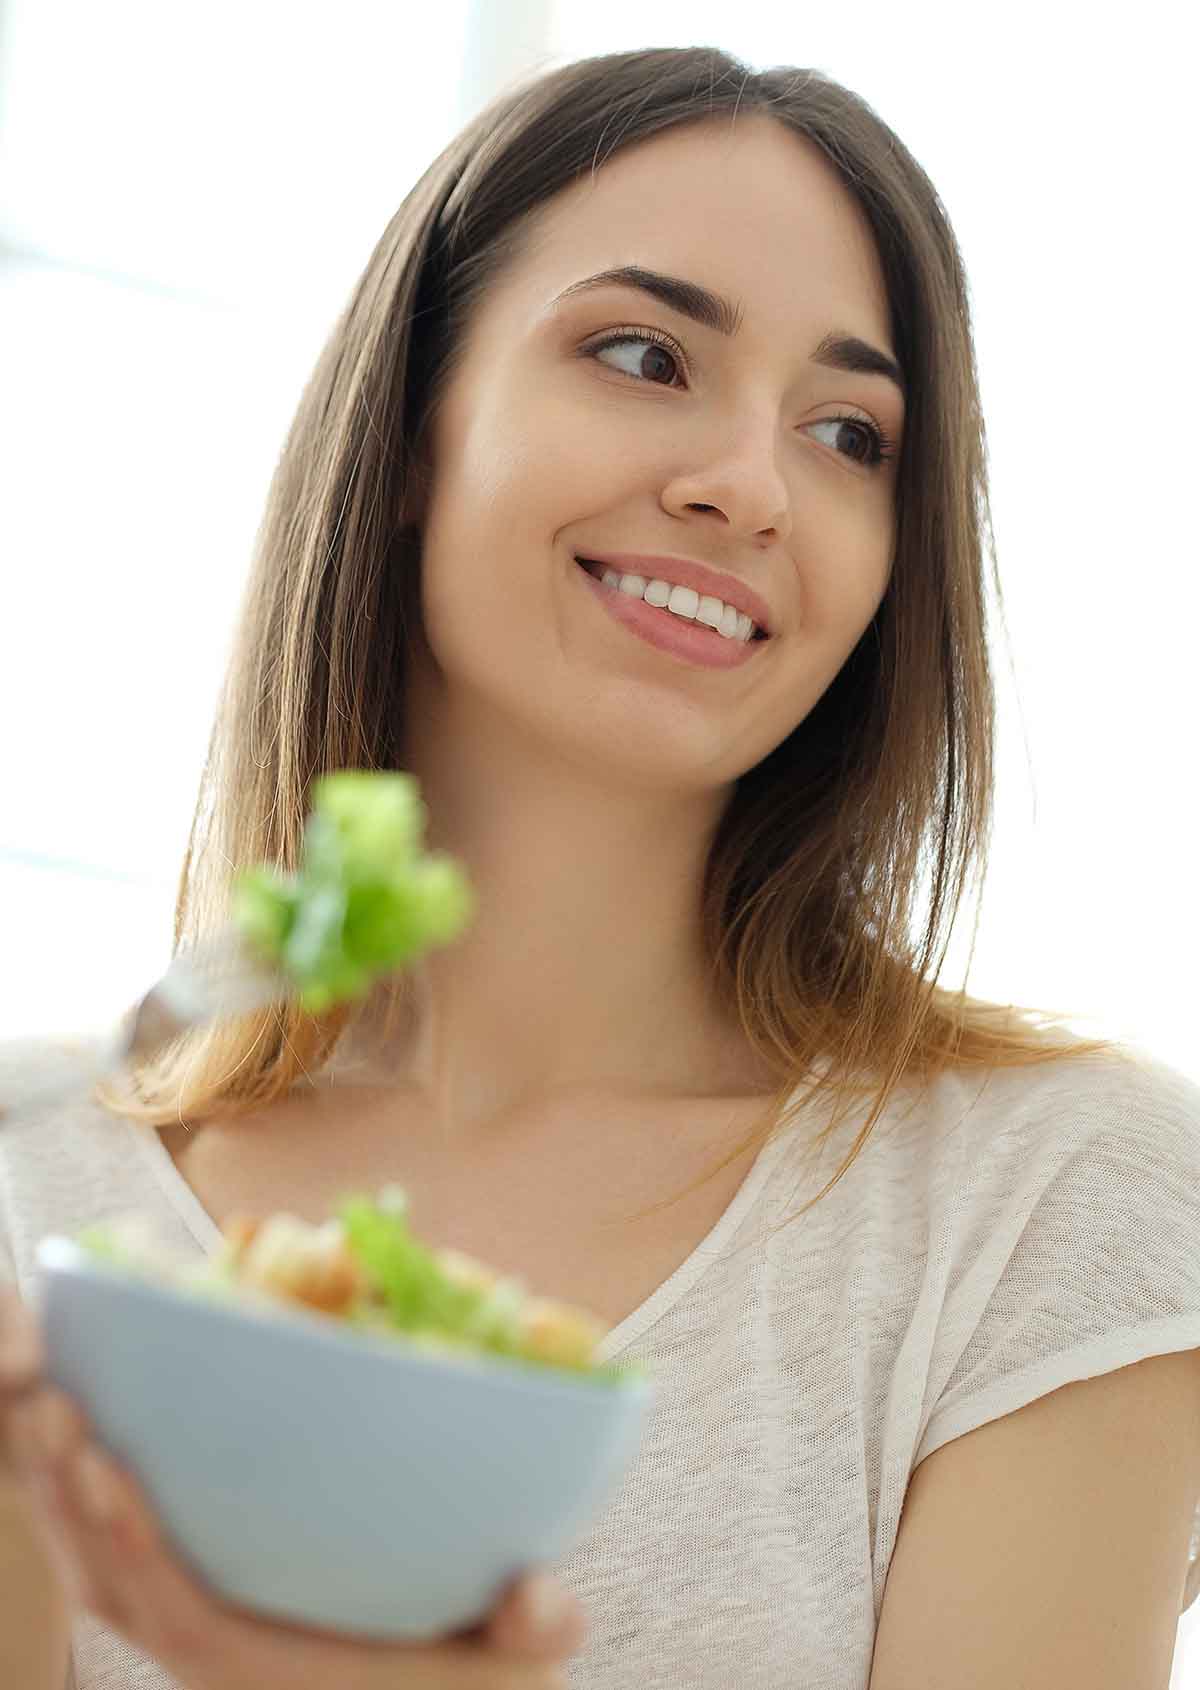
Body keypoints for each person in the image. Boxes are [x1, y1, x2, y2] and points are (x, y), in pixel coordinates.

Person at [3, 41, 1200, 1690]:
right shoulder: (33, 1200)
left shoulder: (1047, 1202)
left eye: (852, 434)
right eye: (644, 354)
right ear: (413, 427)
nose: (750, 485)